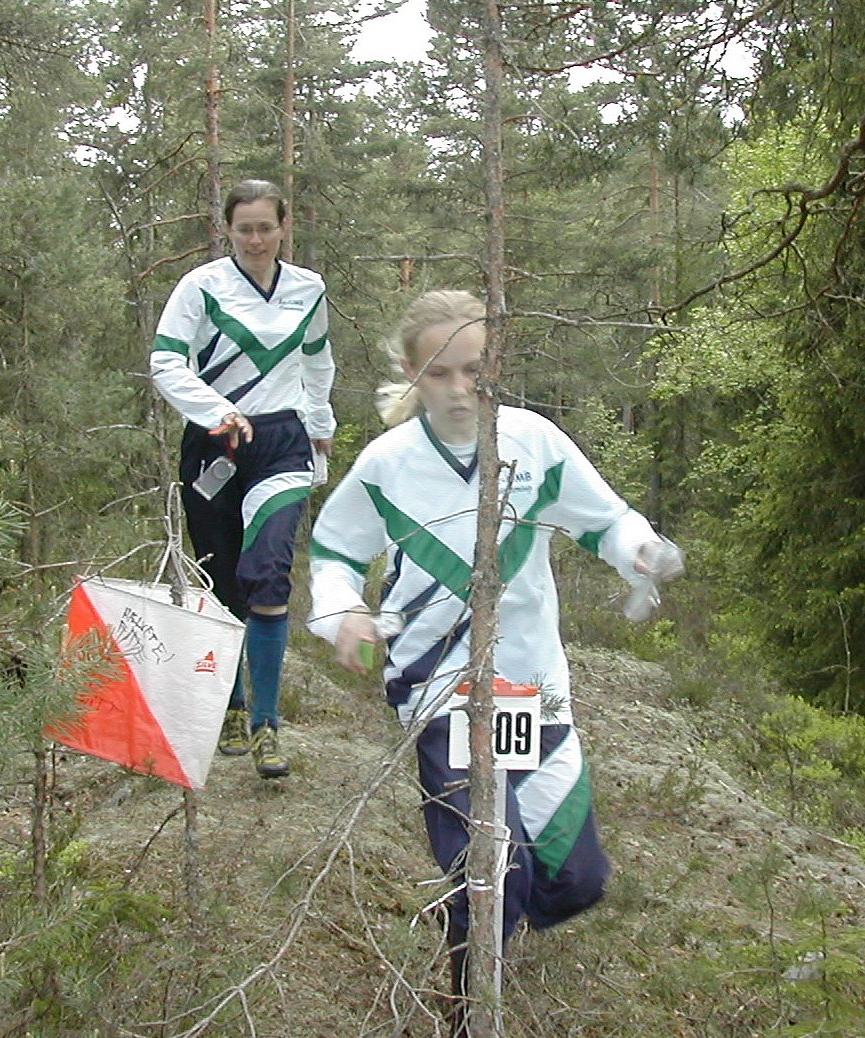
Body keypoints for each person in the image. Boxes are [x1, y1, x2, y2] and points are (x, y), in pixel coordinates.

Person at [306, 290, 680, 1031]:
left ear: (496, 365)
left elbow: (604, 519)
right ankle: (471, 1004)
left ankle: (491, 941)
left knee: (575, 878)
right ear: (412, 375)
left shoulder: (533, 442)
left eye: (474, 371)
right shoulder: (387, 464)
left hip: (534, 689)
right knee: (488, 874)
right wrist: (342, 610)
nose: (459, 390)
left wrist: (639, 551)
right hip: (437, 691)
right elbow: (334, 551)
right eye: (440, 374)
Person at [151, 178, 336, 779]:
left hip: (282, 442)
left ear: (283, 228)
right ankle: (230, 707)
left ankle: (267, 726)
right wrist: (216, 411)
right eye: (244, 229)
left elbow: (317, 361)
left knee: (270, 573)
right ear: (226, 229)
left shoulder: (308, 288)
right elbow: (165, 360)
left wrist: (320, 425)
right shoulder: (201, 287)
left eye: (265, 228)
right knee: (223, 580)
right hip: (216, 444)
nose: (255, 240)